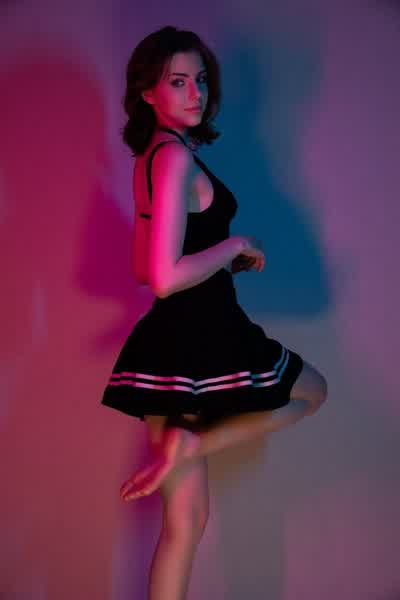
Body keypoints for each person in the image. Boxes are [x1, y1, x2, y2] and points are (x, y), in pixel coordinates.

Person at [101, 25, 328, 600]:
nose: (196, 93)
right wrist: (232, 246)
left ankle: (191, 444)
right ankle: (196, 443)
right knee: (312, 392)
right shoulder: (174, 159)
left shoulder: (151, 157)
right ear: (147, 92)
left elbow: (144, 266)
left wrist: (221, 262)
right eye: (178, 82)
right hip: (204, 333)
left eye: (200, 80)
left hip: (170, 342)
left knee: (185, 522)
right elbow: (162, 277)